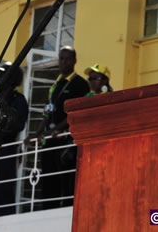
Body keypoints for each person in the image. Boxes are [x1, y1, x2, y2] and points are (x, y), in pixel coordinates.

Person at [34, 45, 89, 209]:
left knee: (64, 180)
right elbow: (47, 110)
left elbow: (74, 113)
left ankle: (63, 209)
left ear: (74, 61)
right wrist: (38, 133)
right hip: (49, 141)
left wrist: (54, 130)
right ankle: (46, 210)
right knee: (48, 180)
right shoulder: (56, 84)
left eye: (68, 59)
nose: (64, 62)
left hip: (65, 140)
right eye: (61, 58)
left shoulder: (80, 83)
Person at [0, 62, 29, 217]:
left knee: (2, 190)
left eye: (2, 74)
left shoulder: (18, 100)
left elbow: (18, 125)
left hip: (4, 150)